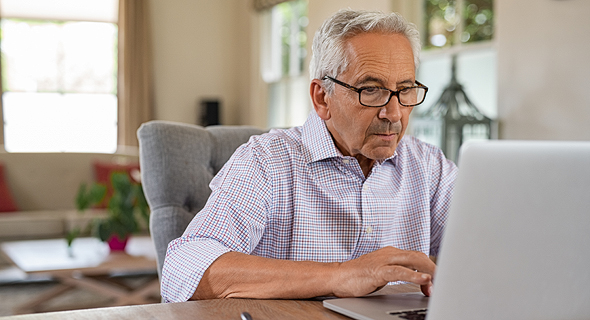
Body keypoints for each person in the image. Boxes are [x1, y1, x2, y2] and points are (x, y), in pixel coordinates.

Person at [161, 9, 457, 303]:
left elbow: (493, 249)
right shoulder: (266, 160)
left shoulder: (429, 167)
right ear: (322, 97)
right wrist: (341, 275)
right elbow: (183, 270)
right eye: (371, 90)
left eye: (405, 90)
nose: (394, 113)